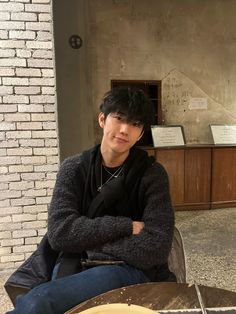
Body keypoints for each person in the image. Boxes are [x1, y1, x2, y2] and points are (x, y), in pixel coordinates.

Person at [6, 87, 175, 314]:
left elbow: (156, 247)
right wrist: (124, 226)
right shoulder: (74, 168)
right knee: (44, 301)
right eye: (119, 118)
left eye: (135, 124)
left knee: (42, 301)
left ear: (141, 133)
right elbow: (60, 234)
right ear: (103, 119)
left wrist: (84, 236)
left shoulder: (152, 174)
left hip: (127, 268)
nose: (125, 130)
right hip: (74, 259)